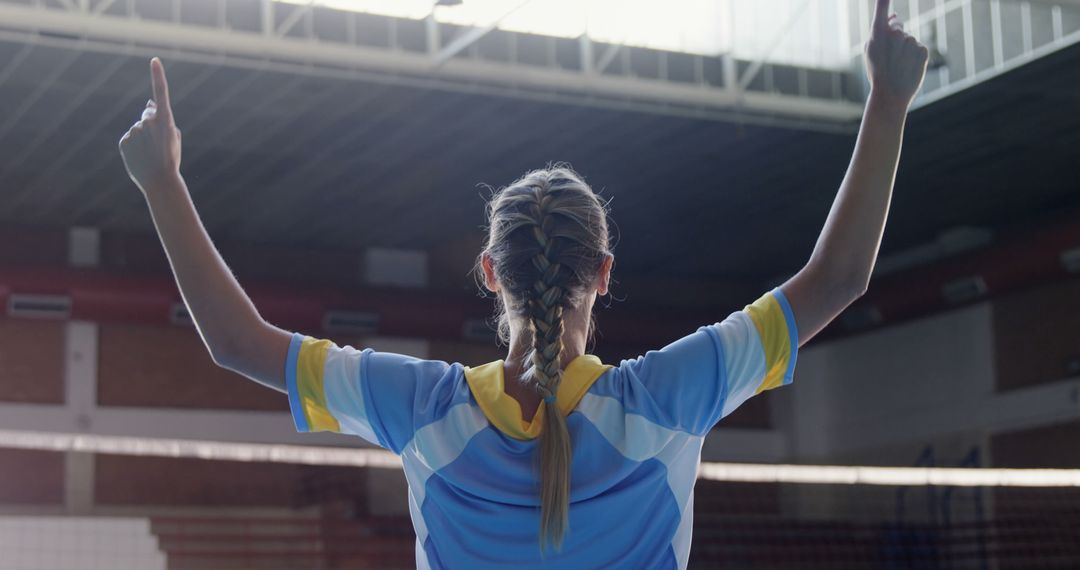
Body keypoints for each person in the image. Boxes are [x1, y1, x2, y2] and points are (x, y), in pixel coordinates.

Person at [118, 0, 928, 567]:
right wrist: (888, 101)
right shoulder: (668, 401)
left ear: (489, 273)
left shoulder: (424, 412)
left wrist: (164, 183)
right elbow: (839, 279)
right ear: (606, 275)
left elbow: (236, 344)